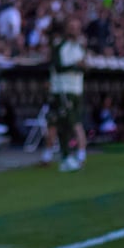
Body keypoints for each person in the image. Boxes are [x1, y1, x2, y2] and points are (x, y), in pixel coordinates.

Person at [46, 16, 88, 172]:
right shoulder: (59, 46)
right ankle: (62, 156)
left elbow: (84, 68)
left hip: (75, 90)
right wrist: (76, 66)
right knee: (60, 124)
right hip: (62, 90)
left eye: (77, 27)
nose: (74, 30)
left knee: (73, 123)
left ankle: (77, 156)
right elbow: (57, 66)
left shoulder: (79, 47)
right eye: (72, 27)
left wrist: (82, 67)